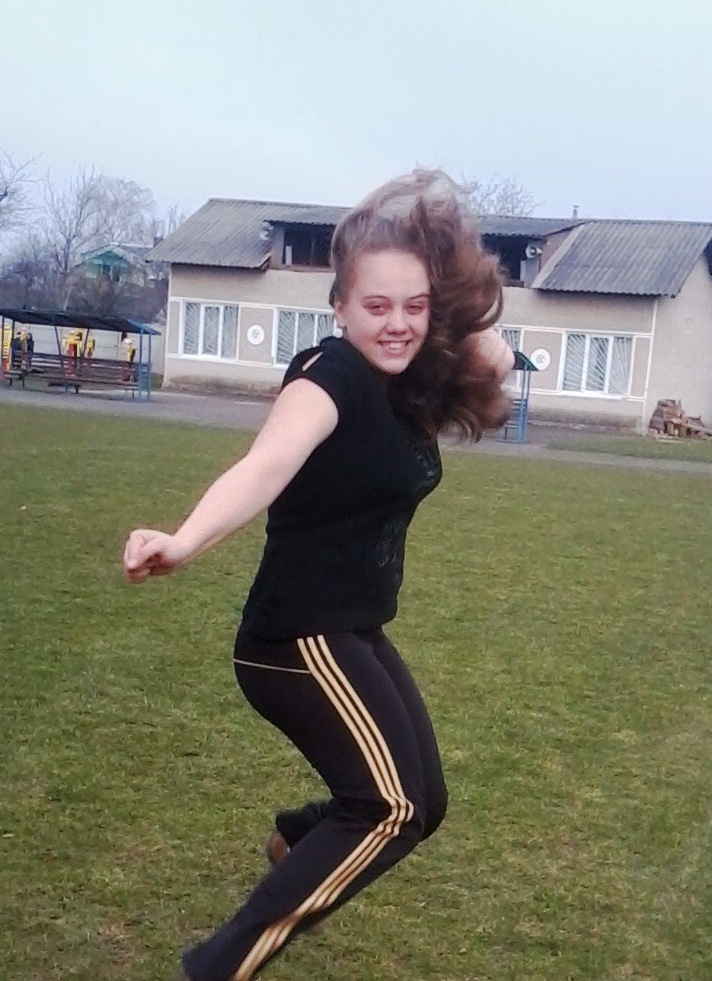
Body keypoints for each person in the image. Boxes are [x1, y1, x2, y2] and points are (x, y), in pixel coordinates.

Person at [122, 169, 515, 981]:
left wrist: (457, 317)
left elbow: (495, 355)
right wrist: (185, 539)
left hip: (353, 629)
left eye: (415, 306)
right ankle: (214, 969)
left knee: (427, 803)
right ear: (339, 306)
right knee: (392, 806)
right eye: (377, 305)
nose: (397, 323)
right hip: (295, 640)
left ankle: (296, 840)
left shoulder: (404, 379)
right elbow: (264, 466)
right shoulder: (328, 378)